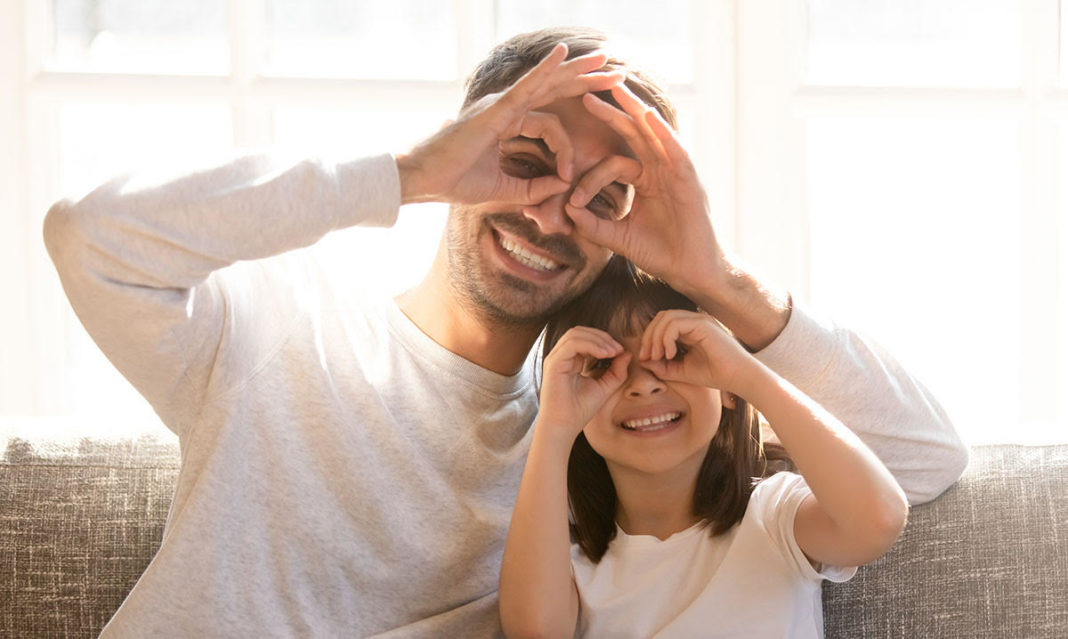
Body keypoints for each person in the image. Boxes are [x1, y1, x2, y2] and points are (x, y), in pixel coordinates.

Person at [43, 27, 966, 637]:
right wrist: (405, 174)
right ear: (464, 148)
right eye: (523, 162)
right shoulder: (282, 327)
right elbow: (91, 239)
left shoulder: (606, 428)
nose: (551, 216)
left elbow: (923, 461)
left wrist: (715, 279)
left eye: (602, 198)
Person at [498, 258, 908, 638]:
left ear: (725, 388)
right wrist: (554, 425)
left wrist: (746, 375)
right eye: (605, 365)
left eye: (673, 353)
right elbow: (535, 632)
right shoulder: (572, 566)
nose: (644, 383)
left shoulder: (774, 516)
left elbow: (880, 518)